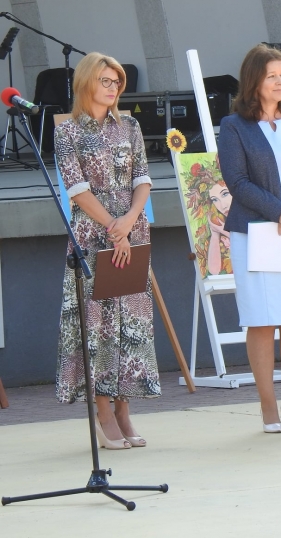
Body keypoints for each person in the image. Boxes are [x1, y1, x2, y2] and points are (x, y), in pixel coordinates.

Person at [54, 52, 160, 450]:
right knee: (97, 324)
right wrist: (113, 228)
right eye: (106, 81)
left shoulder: (129, 126)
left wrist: (129, 221)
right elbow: (77, 190)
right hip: (92, 237)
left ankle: (124, 410)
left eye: (117, 82)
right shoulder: (67, 132)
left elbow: (143, 178)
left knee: (129, 322)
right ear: (86, 83)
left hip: (131, 233)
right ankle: (103, 412)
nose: (113, 87)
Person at [218, 44, 281, 433]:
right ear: (254, 81)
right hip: (257, 231)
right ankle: (267, 407)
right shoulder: (234, 126)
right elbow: (237, 181)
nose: (280, 83)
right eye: (271, 76)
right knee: (262, 320)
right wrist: (279, 211)